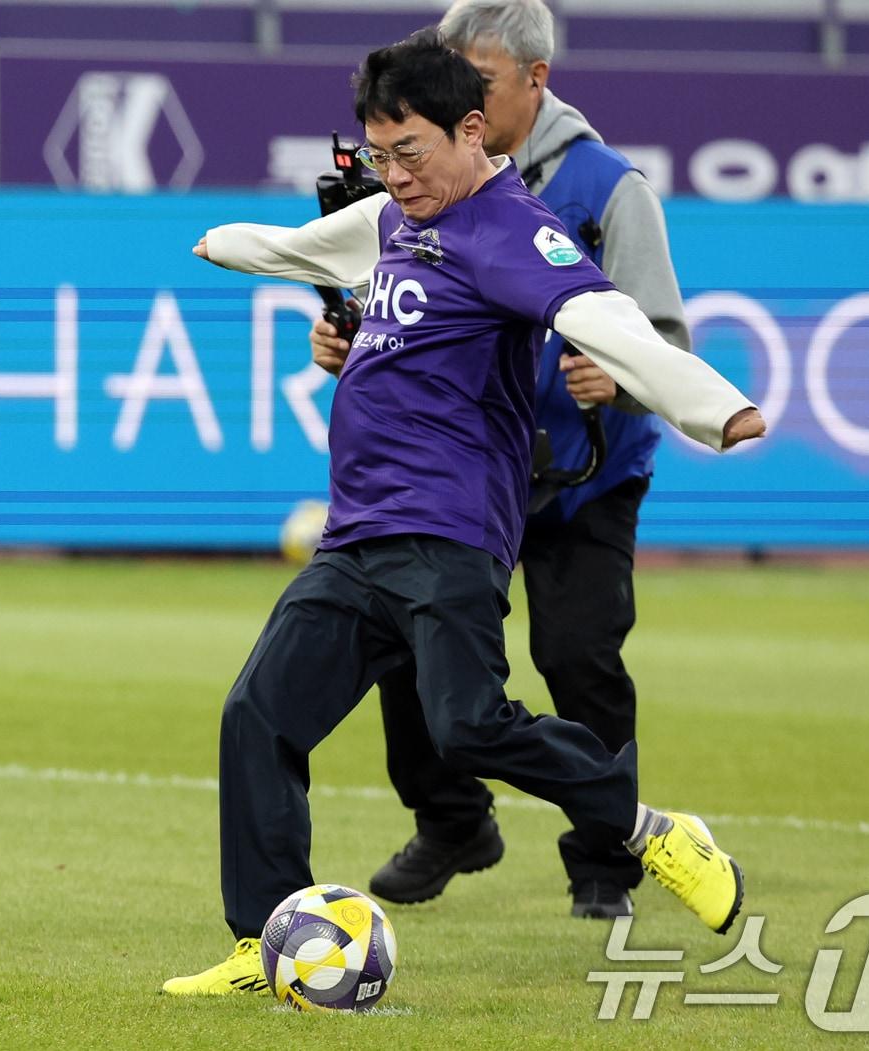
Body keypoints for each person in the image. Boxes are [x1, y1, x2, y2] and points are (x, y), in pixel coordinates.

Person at [163, 30, 764, 997]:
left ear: (472, 129)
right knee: (257, 714)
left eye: (410, 152)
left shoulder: (512, 231)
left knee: (470, 727)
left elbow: (604, 319)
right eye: (380, 154)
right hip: (356, 534)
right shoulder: (401, 215)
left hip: (449, 535)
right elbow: (314, 245)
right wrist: (237, 247)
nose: (392, 176)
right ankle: (262, 934)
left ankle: (651, 827)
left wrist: (710, 406)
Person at [310, 0, 688, 921]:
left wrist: (619, 379)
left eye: (477, 81)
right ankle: (453, 821)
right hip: (462, 466)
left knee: (577, 656)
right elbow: (393, 303)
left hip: (582, 474)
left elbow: (663, 331)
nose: (458, 98)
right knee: (406, 642)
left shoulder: (607, 187)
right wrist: (345, 338)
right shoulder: (419, 173)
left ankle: (604, 862)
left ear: (534, 81)